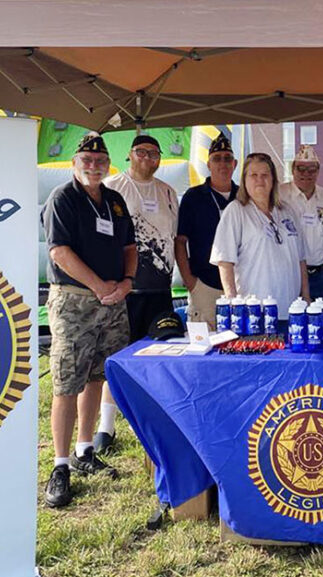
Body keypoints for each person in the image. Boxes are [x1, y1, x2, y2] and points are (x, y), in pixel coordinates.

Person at [40, 133, 132, 508]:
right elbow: (59, 252)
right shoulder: (62, 198)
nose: (94, 166)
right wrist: (98, 287)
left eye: (100, 160)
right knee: (66, 382)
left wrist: (126, 284)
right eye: (87, 160)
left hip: (113, 301)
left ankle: (84, 449)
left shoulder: (114, 200)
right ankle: (60, 465)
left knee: (97, 376)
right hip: (75, 302)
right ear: (74, 164)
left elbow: (129, 247)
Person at [97, 134, 179, 453]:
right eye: (141, 152)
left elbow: (175, 237)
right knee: (116, 357)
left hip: (159, 288)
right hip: (125, 288)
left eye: (153, 153)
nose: (147, 158)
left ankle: (154, 418)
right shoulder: (113, 188)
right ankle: (106, 426)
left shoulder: (168, 192)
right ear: (130, 155)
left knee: (160, 357)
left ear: (159, 158)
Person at [211, 153, 310, 319]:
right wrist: (233, 302)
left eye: (265, 175)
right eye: (253, 175)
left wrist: (306, 297)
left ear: (273, 180)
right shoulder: (236, 211)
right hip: (255, 312)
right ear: (244, 180)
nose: (259, 180)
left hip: (292, 310)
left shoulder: (287, 211)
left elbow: (301, 259)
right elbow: (224, 261)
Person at [279, 145, 323, 330]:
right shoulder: (278, 195)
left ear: (318, 171)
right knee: (291, 328)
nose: (306, 173)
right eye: (301, 168)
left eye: (312, 169)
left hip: (322, 276)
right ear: (292, 169)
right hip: (289, 274)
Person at [175, 133, 238, 329]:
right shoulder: (193, 197)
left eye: (227, 159)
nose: (223, 164)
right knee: (204, 346)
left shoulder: (243, 196)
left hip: (240, 287)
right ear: (208, 164)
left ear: (235, 164)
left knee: (240, 345)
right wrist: (190, 282)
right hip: (204, 285)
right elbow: (180, 242)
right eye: (217, 159)